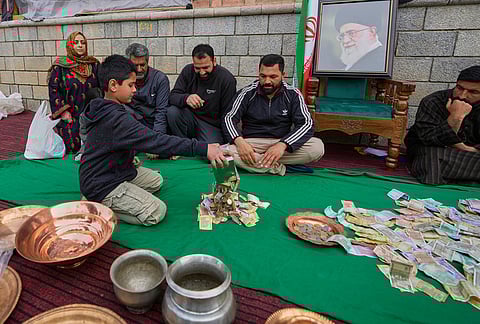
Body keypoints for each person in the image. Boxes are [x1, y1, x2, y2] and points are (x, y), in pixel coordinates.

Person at [79, 55, 226, 226]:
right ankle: (97, 207)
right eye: (130, 85)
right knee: (156, 212)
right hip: (101, 184)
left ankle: (109, 195)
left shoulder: (104, 107)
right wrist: (203, 148)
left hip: (115, 170)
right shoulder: (116, 119)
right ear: (113, 85)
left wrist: (128, 156)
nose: (135, 90)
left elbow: (109, 144)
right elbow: (158, 141)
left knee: (156, 181)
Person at [222, 54, 324, 176]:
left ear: (283, 75)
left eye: (273, 76)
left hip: (281, 143)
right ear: (258, 74)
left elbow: (306, 124)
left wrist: (283, 145)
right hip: (252, 144)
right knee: (223, 152)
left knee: (317, 148)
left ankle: (257, 163)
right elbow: (228, 118)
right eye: (263, 76)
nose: (267, 81)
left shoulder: (293, 94)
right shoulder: (247, 93)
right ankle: (280, 168)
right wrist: (240, 142)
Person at [405, 65, 480, 185]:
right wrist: (455, 117)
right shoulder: (433, 101)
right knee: (431, 157)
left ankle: (456, 177)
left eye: (473, 92)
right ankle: (466, 178)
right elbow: (428, 139)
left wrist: (464, 148)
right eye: (459, 88)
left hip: (464, 157)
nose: (462, 96)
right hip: (434, 152)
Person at [168, 44, 236, 143]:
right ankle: (184, 143)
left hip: (211, 125)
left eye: (206, 67)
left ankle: (196, 142)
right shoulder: (188, 70)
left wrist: (229, 140)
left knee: (209, 149)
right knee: (172, 112)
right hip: (190, 117)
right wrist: (186, 98)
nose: (202, 72)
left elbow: (228, 115)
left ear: (214, 61)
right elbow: (173, 96)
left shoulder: (226, 79)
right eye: (197, 68)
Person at [48, 31, 99, 153]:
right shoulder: (60, 67)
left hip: (91, 113)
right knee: (73, 147)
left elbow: (102, 87)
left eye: (83, 42)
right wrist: (63, 112)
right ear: (70, 45)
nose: (80, 45)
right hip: (71, 114)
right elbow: (54, 90)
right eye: (76, 42)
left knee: (94, 145)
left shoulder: (94, 65)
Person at [125, 43, 170, 134]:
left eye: (142, 65)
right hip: (132, 122)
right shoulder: (123, 78)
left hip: (153, 123)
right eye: (135, 65)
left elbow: (161, 112)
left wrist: (158, 138)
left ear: (147, 62)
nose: (139, 69)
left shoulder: (160, 79)